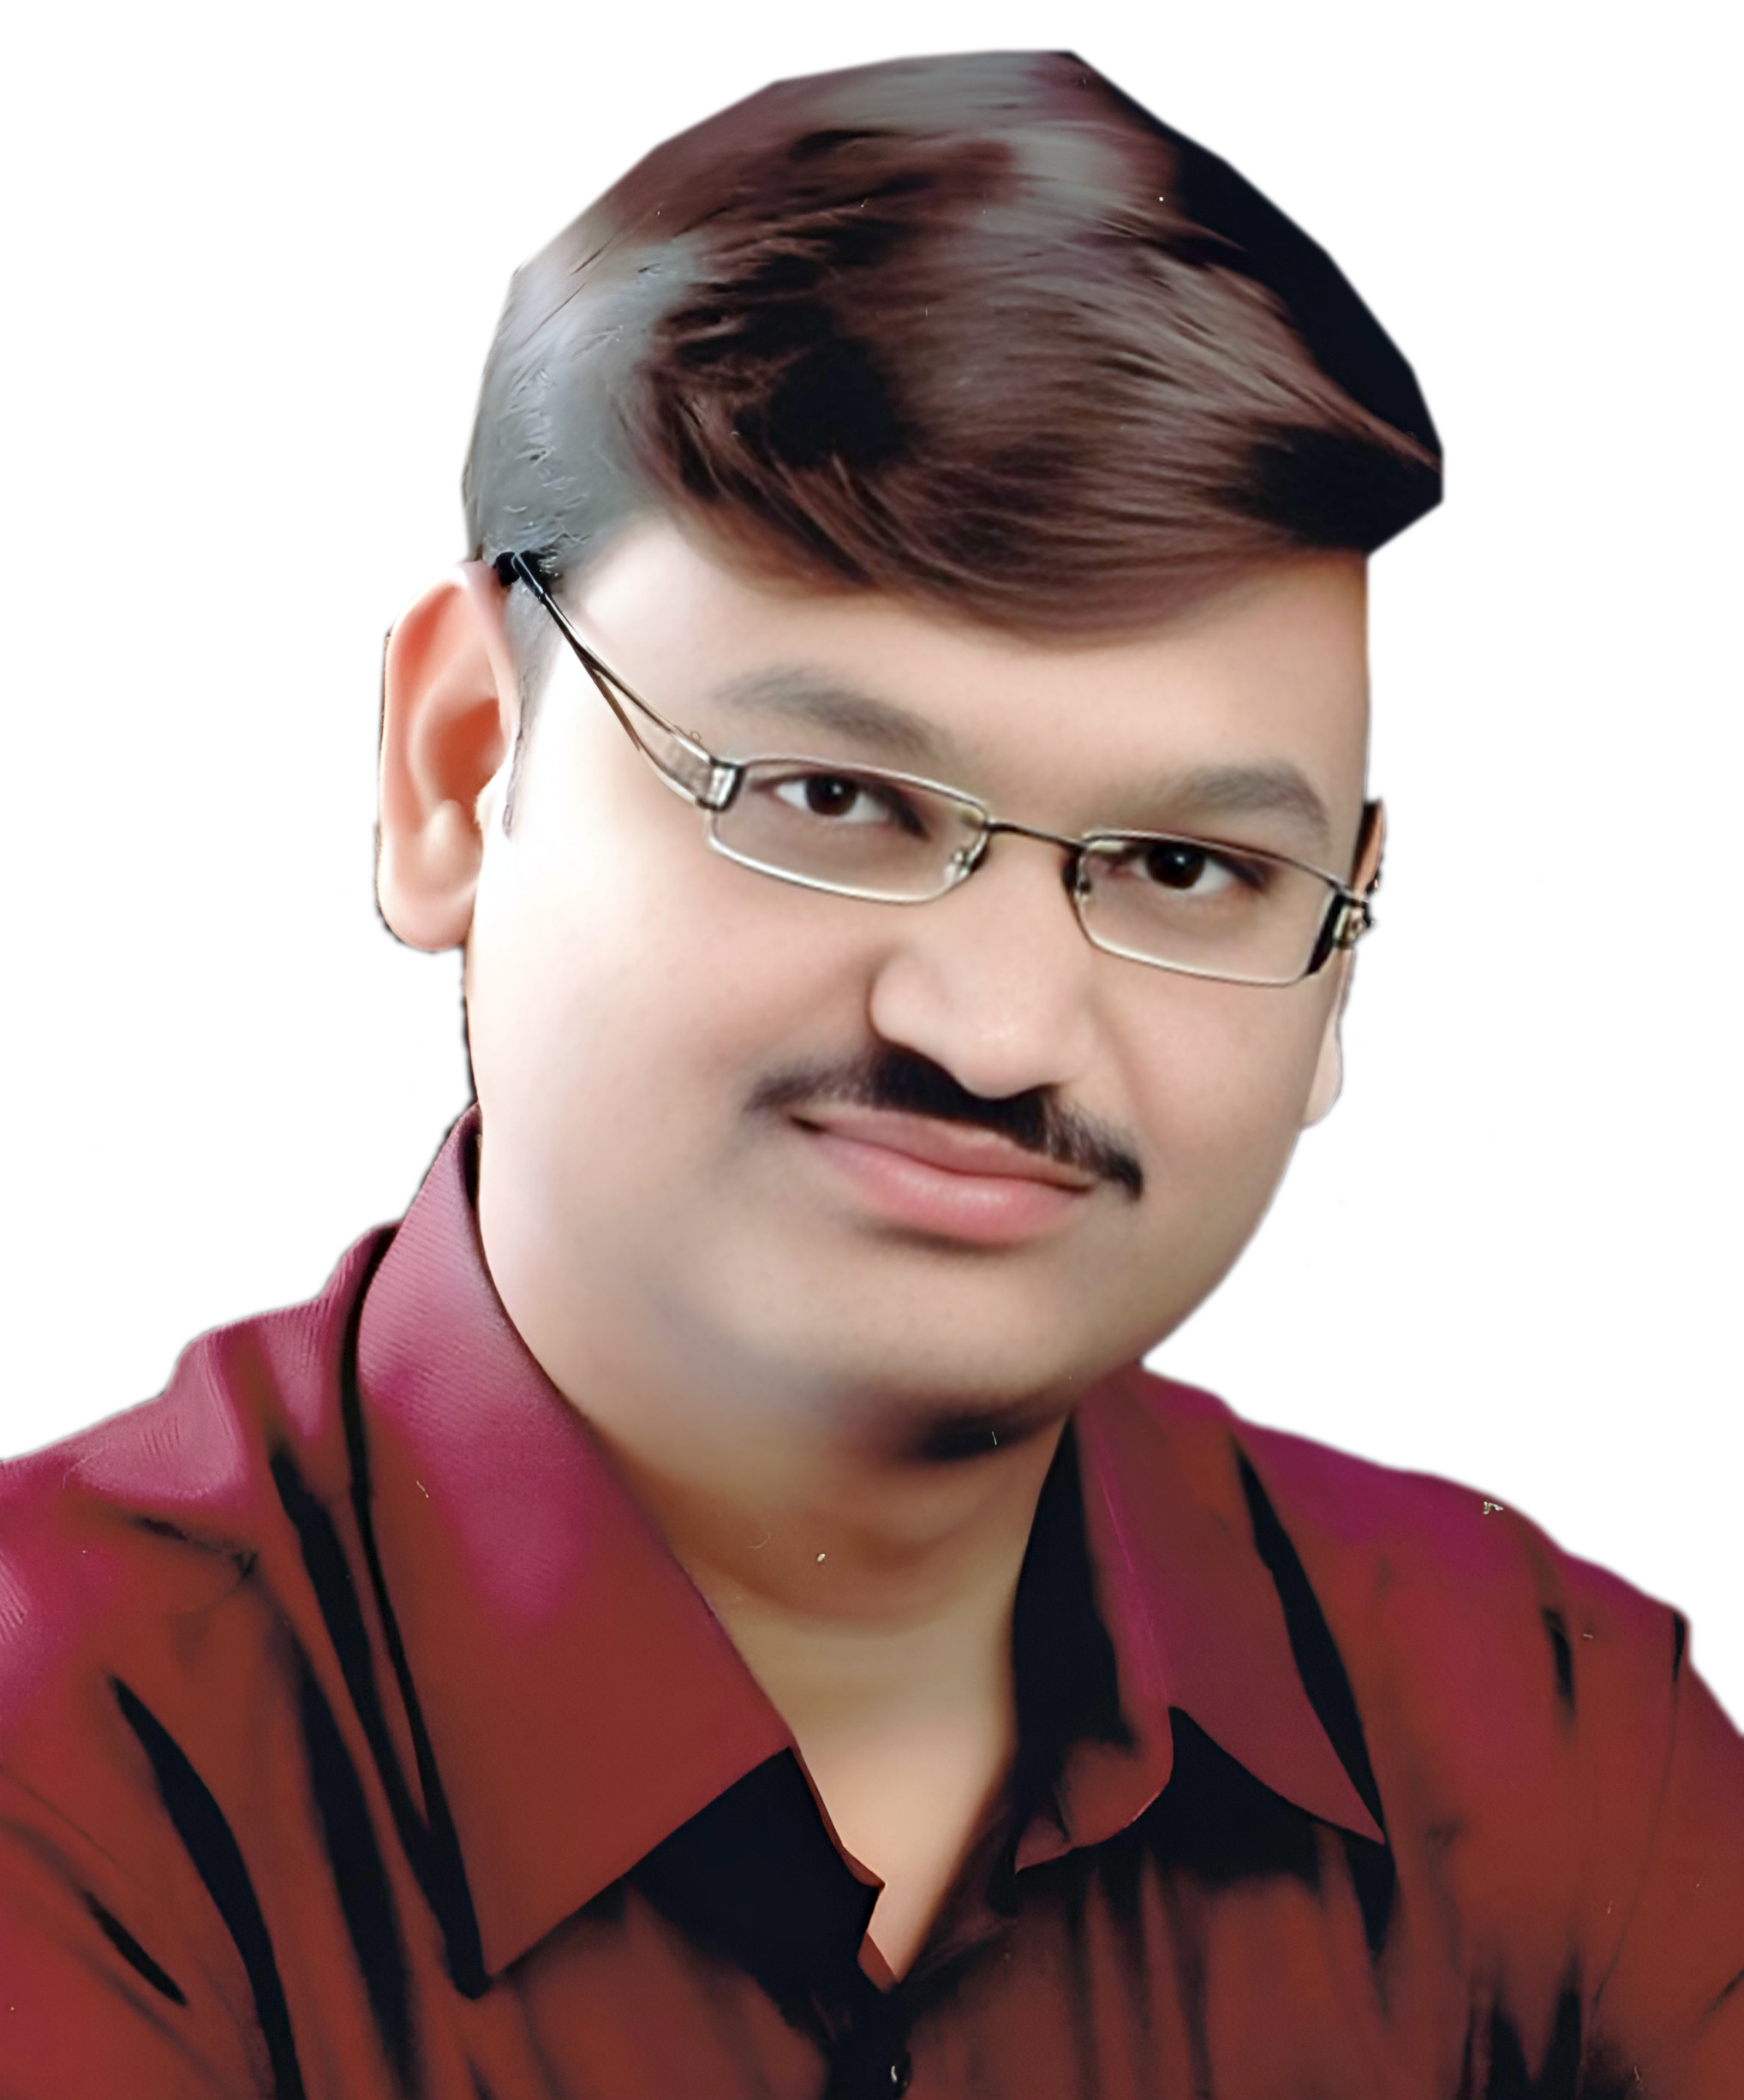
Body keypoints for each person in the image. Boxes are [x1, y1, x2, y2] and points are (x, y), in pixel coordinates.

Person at [1, 42, 1737, 2100]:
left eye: (1185, 866)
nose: (994, 1031)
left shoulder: (1560, 1736)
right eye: (829, 796)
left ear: (1341, 945)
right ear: (460, 767)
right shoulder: (61, 1768)